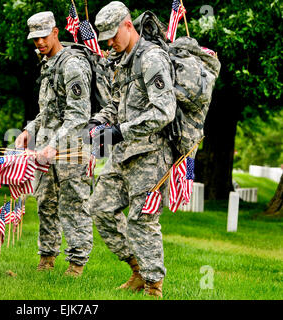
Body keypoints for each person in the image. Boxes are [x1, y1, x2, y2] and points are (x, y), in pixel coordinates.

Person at [85, 1, 177, 297]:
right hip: (123, 152)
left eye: (113, 35)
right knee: (99, 208)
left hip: (150, 155)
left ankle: (154, 286)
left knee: (142, 220)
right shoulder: (120, 60)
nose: (110, 42)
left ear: (128, 25)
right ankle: (137, 269)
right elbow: (115, 104)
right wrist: (97, 122)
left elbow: (165, 111)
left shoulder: (151, 58)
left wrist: (119, 131)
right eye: (105, 38)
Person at [15, 11, 93, 277]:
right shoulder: (48, 65)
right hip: (47, 148)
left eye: (43, 37)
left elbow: (79, 114)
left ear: (56, 32)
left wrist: (55, 144)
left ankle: (76, 264)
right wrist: (29, 130)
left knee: (74, 205)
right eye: (35, 39)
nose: (39, 43)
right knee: (46, 202)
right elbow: (48, 112)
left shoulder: (72, 64)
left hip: (72, 147)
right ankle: (47, 258)